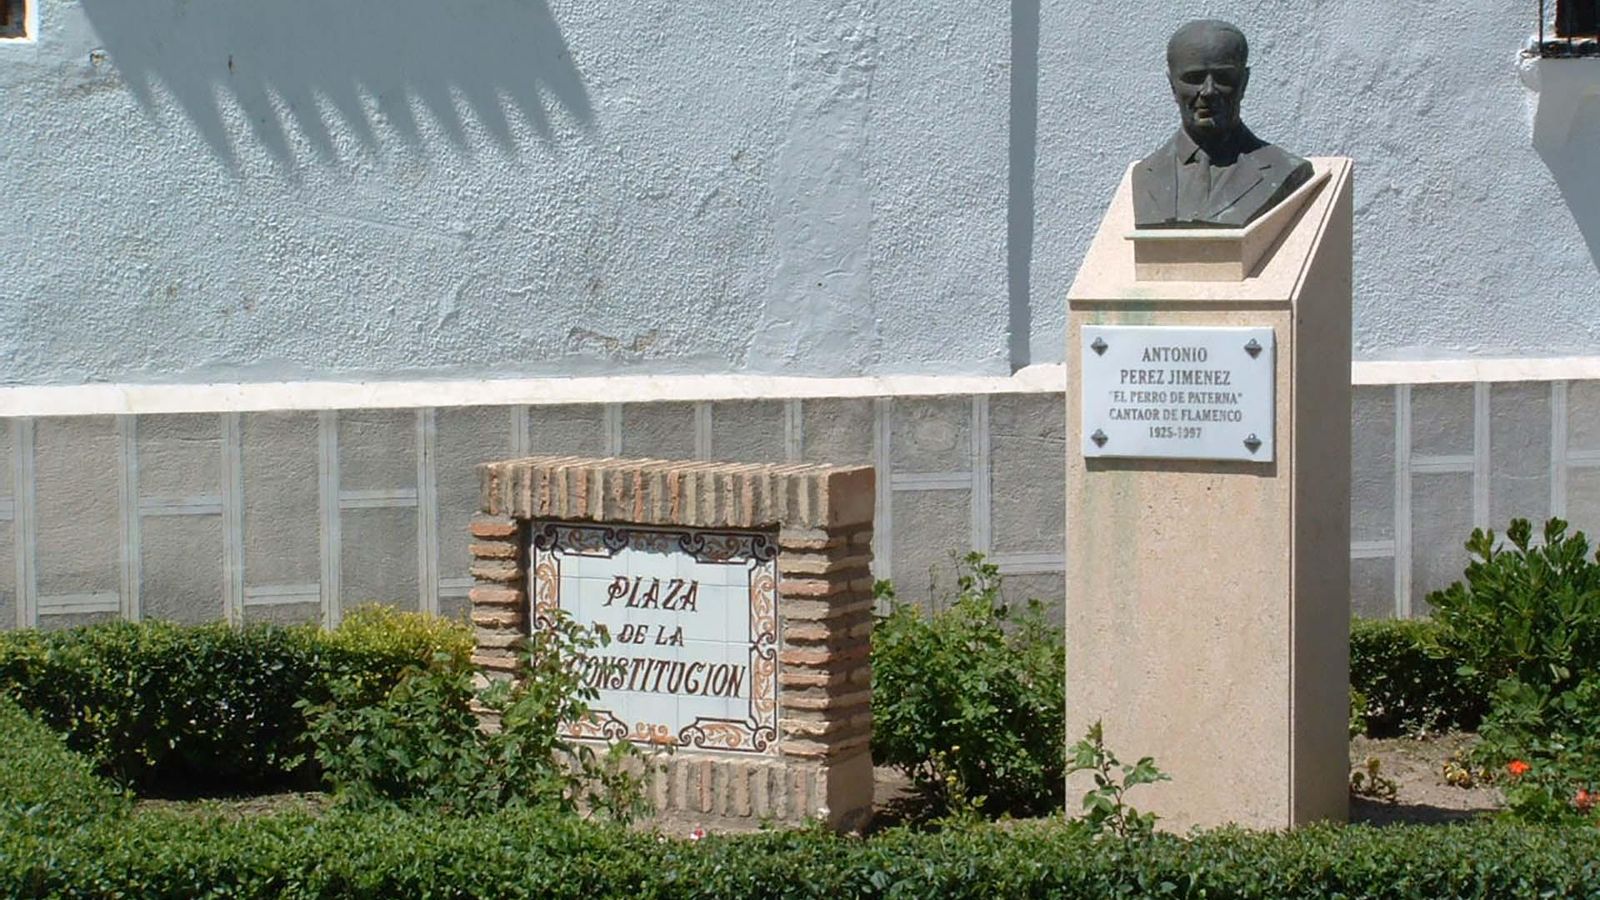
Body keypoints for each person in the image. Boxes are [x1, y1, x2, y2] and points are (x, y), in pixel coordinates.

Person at [1132, 19, 1313, 229]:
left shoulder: (1284, 170)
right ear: (1172, 86)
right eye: (1194, 78)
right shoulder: (1146, 174)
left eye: (1223, 77)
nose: (1208, 91)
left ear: (1243, 82)